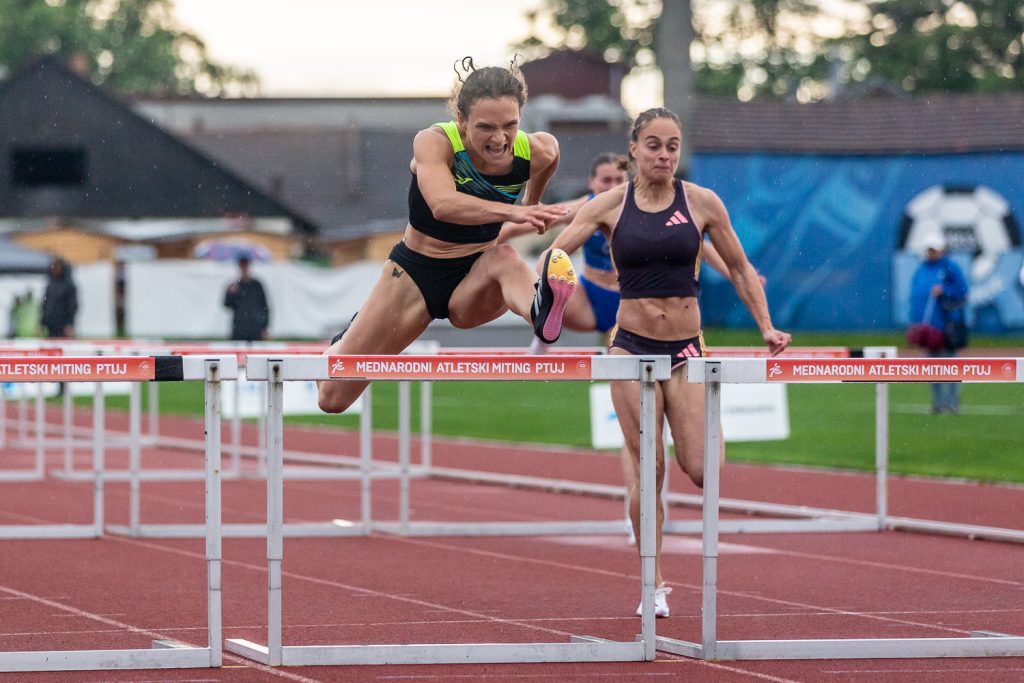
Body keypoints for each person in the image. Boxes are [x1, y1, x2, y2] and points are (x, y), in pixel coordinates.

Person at [550, 108, 791, 618]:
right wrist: (553, 292)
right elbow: (557, 253)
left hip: (686, 351)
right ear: (633, 149)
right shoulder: (610, 205)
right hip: (630, 348)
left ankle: (708, 423)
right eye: (654, 145)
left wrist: (766, 326)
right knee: (649, 470)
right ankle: (652, 581)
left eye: (673, 146)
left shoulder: (702, 203)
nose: (664, 155)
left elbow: (742, 269)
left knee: (704, 471)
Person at [317, 57, 576, 414]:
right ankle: (341, 344)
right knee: (332, 397)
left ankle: (541, 309)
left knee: (506, 258)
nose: (499, 139)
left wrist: (534, 201)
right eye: (486, 127)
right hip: (416, 274)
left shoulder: (536, 149)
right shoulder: (435, 142)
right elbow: (442, 204)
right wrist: (517, 211)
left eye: (510, 125)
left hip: (476, 273)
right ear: (462, 121)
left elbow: (551, 156)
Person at [909, 233, 969, 414]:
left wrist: (944, 291)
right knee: (931, 365)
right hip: (928, 328)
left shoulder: (949, 267)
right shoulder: (921, 269)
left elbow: (963, 290)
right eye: (928, 250)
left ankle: (952, 401)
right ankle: (937, 401)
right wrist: (915, 323)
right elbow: (915, 298)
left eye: (934, 250)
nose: (930, 253)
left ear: (941, 250)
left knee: (950, 364)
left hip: (946, 325)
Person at [223, 255, 270, 342]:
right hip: (239, 329)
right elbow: (226, 305)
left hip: (256, 329)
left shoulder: (257, 285)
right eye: (242, 267)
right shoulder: (235, 286)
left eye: (246, 266)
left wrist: (265, 327)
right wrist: (230, 294)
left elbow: (265, 307)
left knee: (256, 354)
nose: (244, 269)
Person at [41, 257, 78, 338]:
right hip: (50, 325)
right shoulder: (50, 285)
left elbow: (72, 306)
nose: (55, 269)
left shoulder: (69, 286)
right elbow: (45, 304)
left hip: (63, 325)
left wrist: (70, 323)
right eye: (53, 267)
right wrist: (42, 323)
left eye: (57, 267)